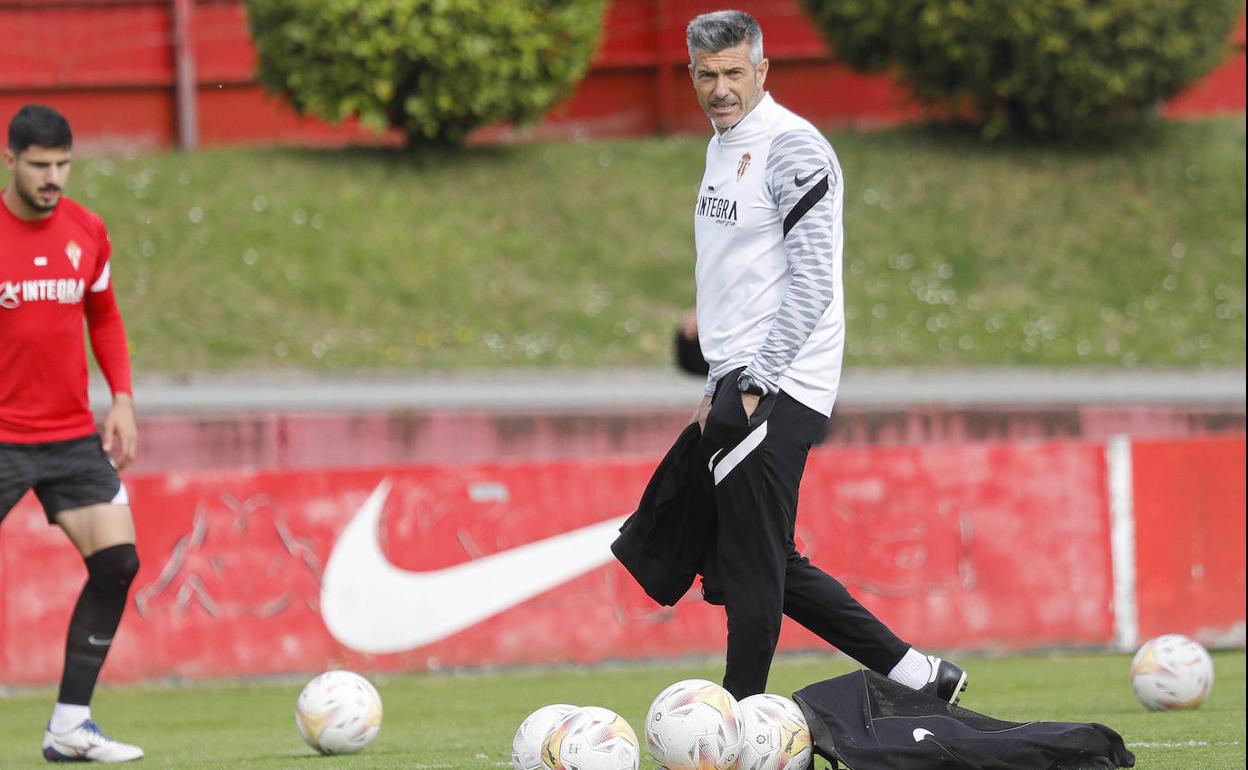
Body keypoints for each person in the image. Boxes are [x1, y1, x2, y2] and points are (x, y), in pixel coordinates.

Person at [620, 11, 968, 704]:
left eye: (734, 73)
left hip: (779, 383)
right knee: (764, 558)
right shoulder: (723, 145)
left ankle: (736, 718)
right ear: (691, 74)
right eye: (707, 75)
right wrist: (717, 381)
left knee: (750, 568)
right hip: (740, 380)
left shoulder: (793, 149)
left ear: (762, 71)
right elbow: (740, 277)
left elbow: (812, 283)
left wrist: (754, 382)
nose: (721, 89)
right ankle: (924, 677)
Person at [1, 104, 144, 763]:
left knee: (118, 563)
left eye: (63, 164)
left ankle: (69, 725)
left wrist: (122, 399)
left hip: (68, 438)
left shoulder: (87, 230)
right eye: (40, 165)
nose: (53, 177)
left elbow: (104, 317)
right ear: (11, 160)